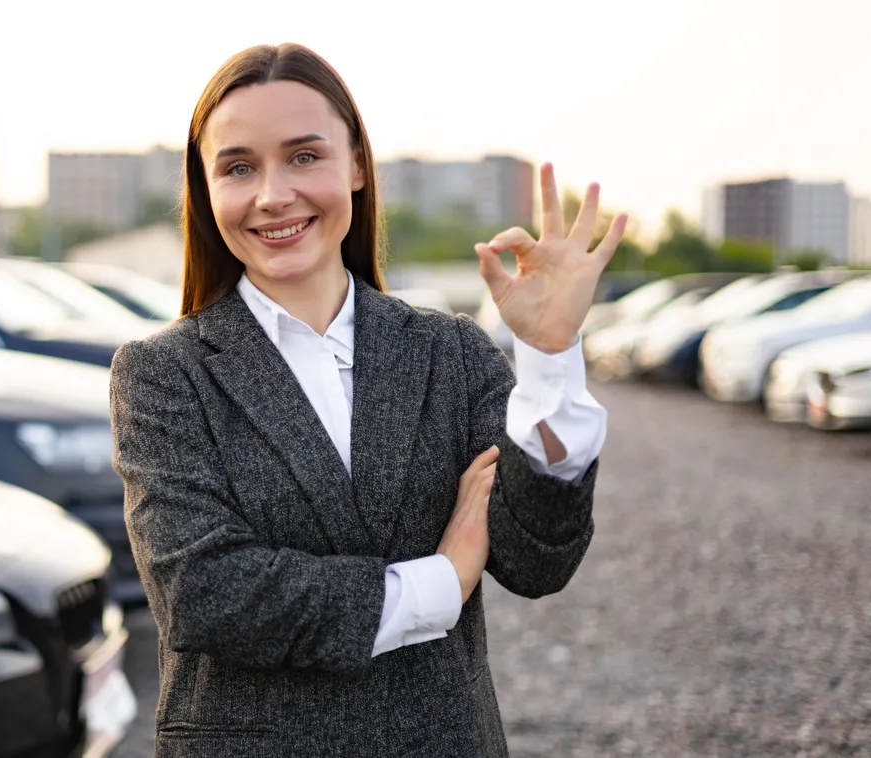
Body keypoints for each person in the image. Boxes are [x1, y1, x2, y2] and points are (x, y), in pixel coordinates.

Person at [109, 42, 625, 757]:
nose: (271, 194)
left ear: (355, 166)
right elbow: (205, 593)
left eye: (303, 156)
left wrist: (547, 360)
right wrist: (437, 583)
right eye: (237, 167)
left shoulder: (450, 352)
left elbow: (537, 562)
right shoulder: (164, 374)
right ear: (205, 188)